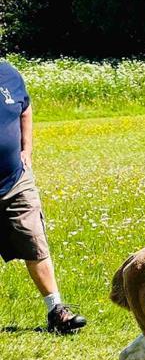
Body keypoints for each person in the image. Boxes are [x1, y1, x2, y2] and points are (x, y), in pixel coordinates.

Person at [0, 61, 86, 334]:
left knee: (34, 240)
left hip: (16, 179)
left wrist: (27, 148)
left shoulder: (9, 73)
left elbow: (25, 108)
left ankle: (56, 310)